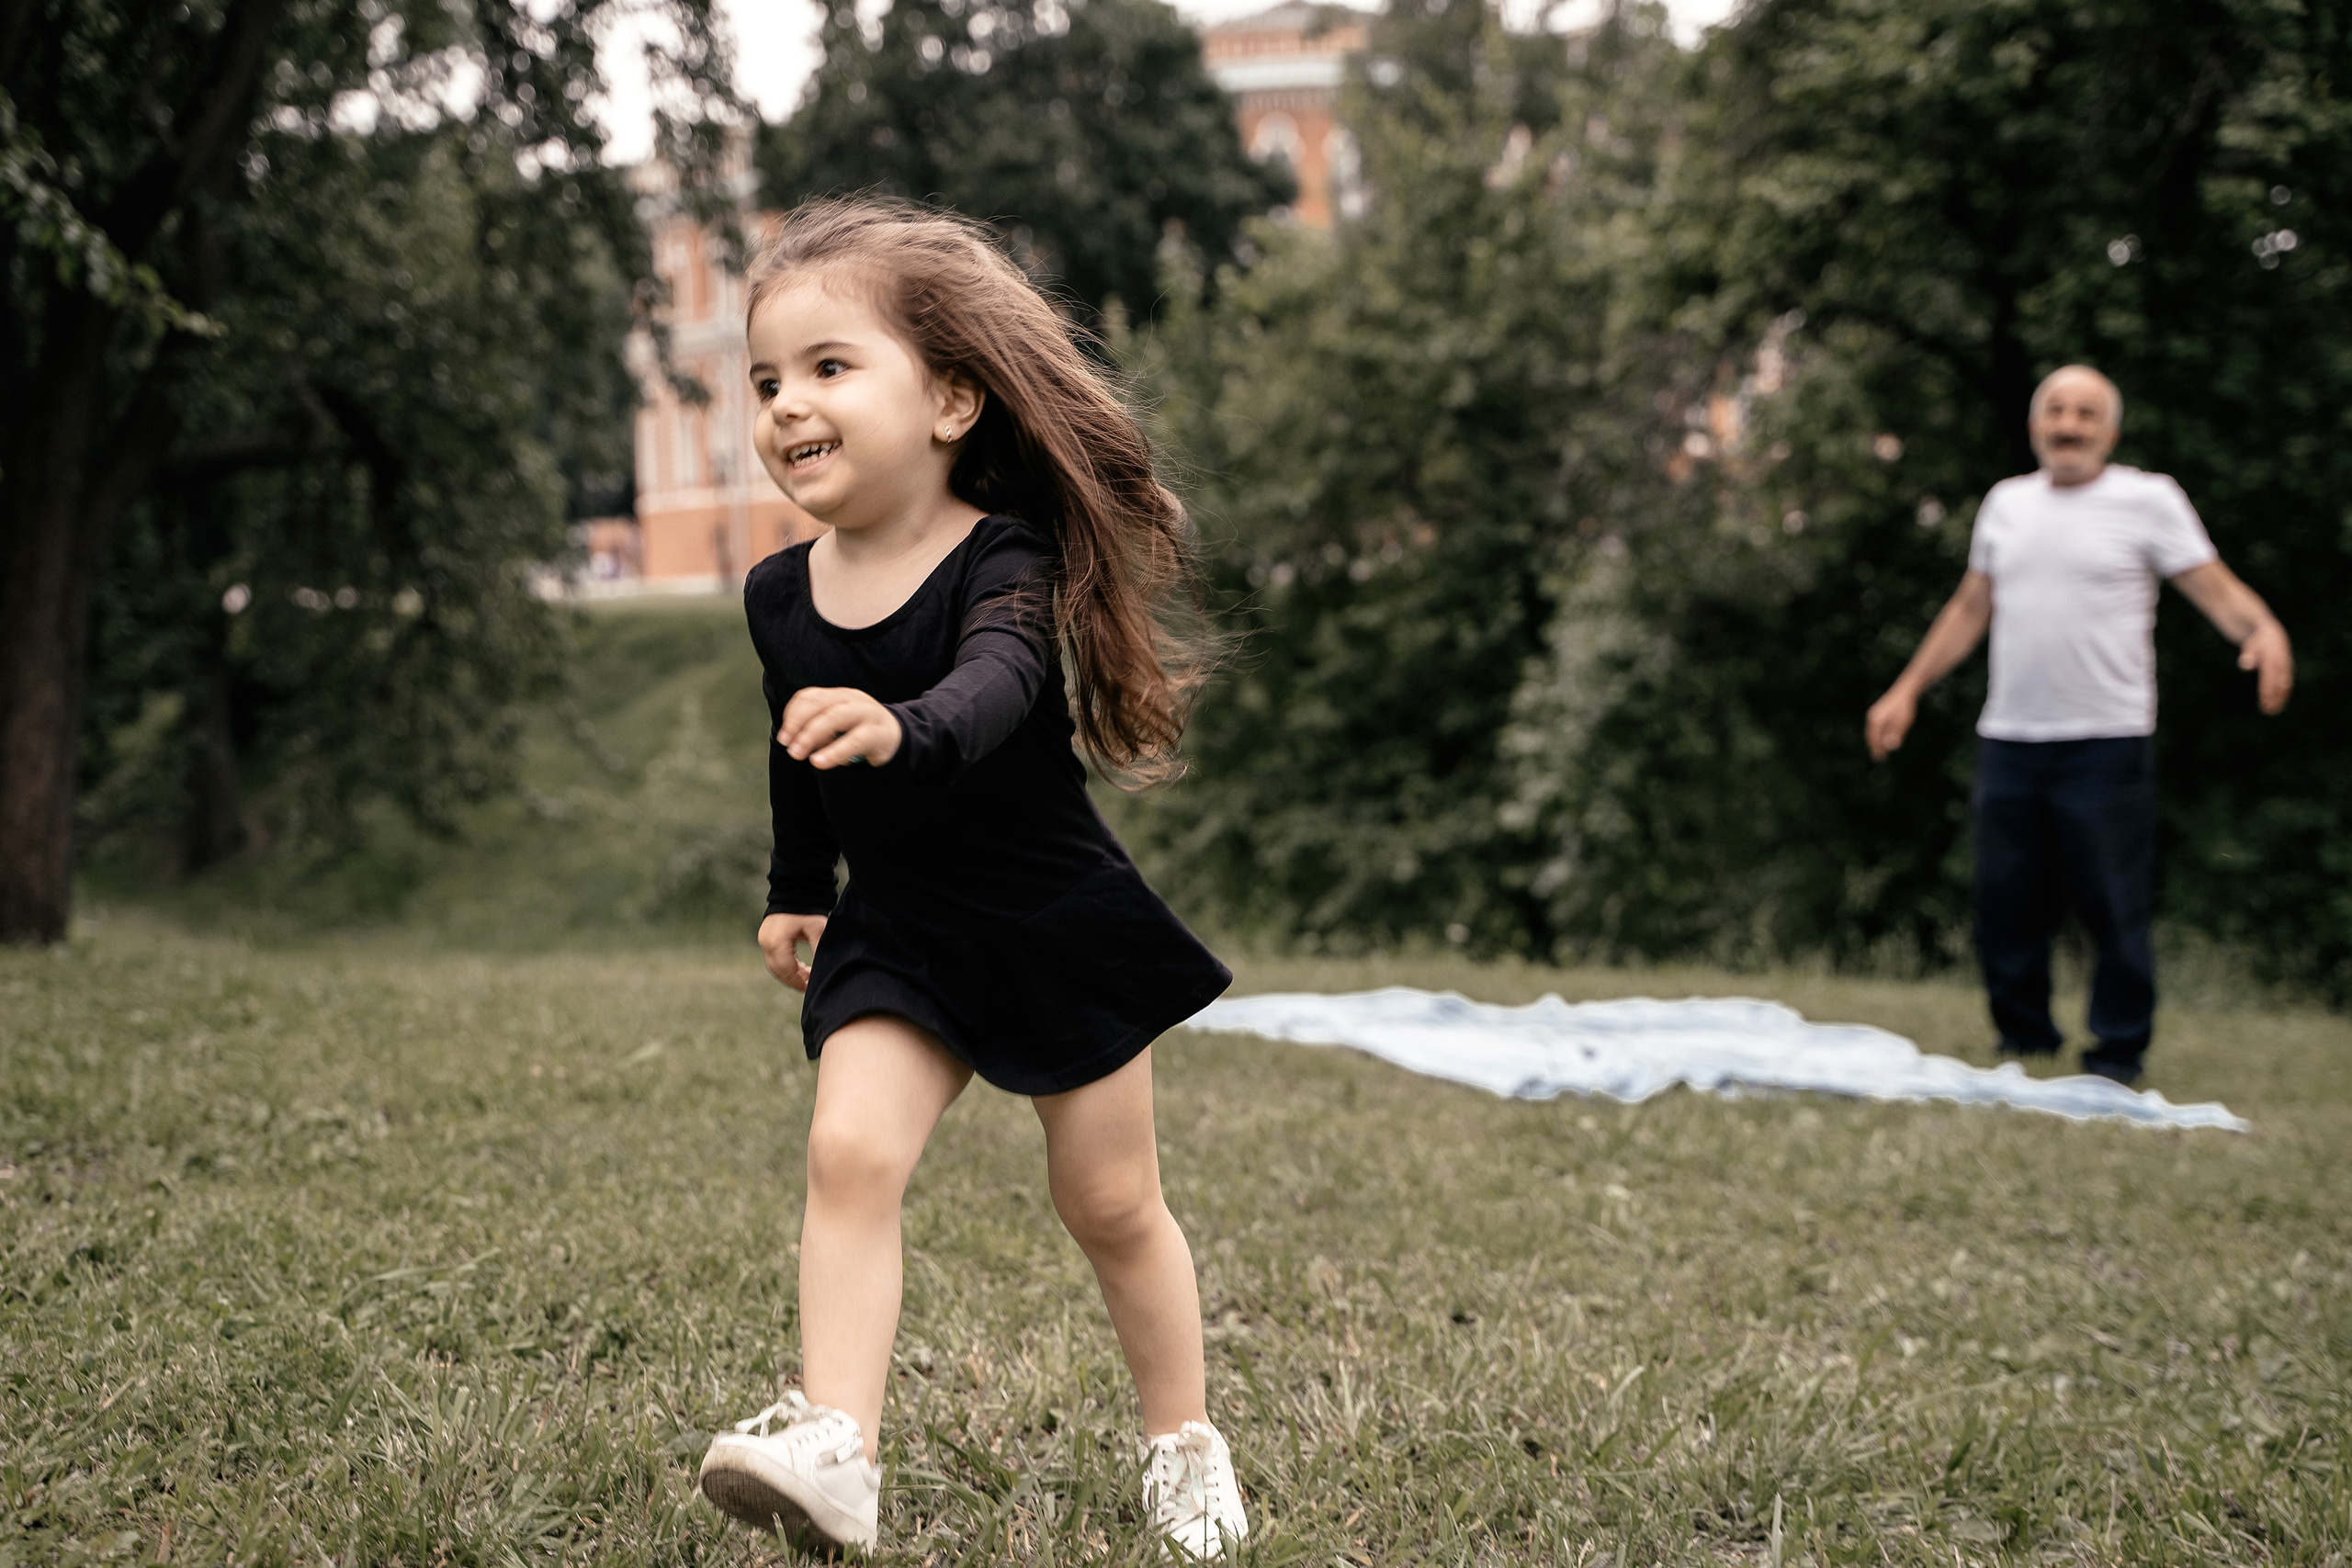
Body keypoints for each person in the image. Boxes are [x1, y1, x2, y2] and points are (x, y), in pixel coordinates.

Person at [691, 197, 1249, 1561]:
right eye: (765, 381)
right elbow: (797, 741)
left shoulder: (1004, 554)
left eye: (829, 366)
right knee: (848, 1152)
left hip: (1049, 918)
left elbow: (997, 685)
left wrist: (905, 728)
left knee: (1108, 1204)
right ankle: (840, 1445)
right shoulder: (779, 595)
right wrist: (797, 880)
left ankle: (1184, 1444)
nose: (787, 403)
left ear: (949, 399)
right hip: (899, 930)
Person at [1864, 366, 2293, 1084]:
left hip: (2107, 738)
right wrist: (1906, 688)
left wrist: (2265, 629)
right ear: (2036, 425)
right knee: (2006, 898)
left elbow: (2215, 589)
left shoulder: (2148, 500)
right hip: (2010, 735)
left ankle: (2117, 1050)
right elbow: (1971, 606)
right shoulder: (2006, 503)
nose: (2068, 425)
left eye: (2086, 413)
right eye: (2056, 410)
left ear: (2110, 432)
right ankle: (2023, 1037)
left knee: (2111, 901)